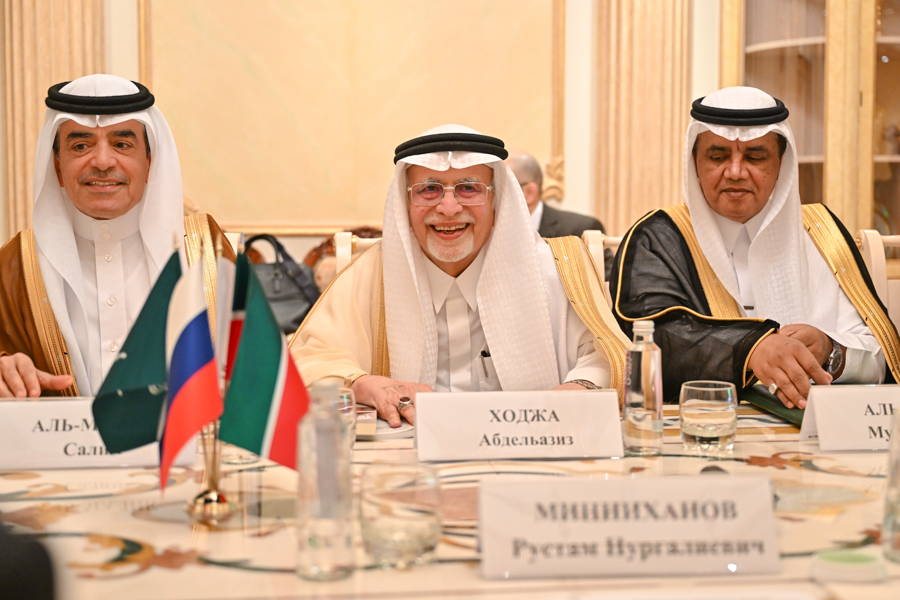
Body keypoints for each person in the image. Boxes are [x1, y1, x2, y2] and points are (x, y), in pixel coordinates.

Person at [291, 125, 628, 426]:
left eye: (469, 188)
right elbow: (306, 359)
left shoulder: (555, 269)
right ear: (405, 204)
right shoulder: (371, 276)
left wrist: (580, 386)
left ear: (496, 201)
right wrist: (362, 384)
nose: (449, 208)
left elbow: (607, 355)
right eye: (429, 189)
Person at [610, 86, 900, 408]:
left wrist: (832, 352)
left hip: (813, 430)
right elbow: (651, 337)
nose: (735, 172)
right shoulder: (658, 239)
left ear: (781, 162)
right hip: (698, 427)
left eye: (755, 157)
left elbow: (882, 356)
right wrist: (749, 349)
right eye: (718, 157)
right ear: (694, 161)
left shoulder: (822, 234)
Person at [0, 74, 233, 399]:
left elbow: (254, 368)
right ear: (57, 166)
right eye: (80, 146)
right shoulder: (15, 266)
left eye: (122, 144)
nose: (103, 162)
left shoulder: (205, 249)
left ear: (149, 161)